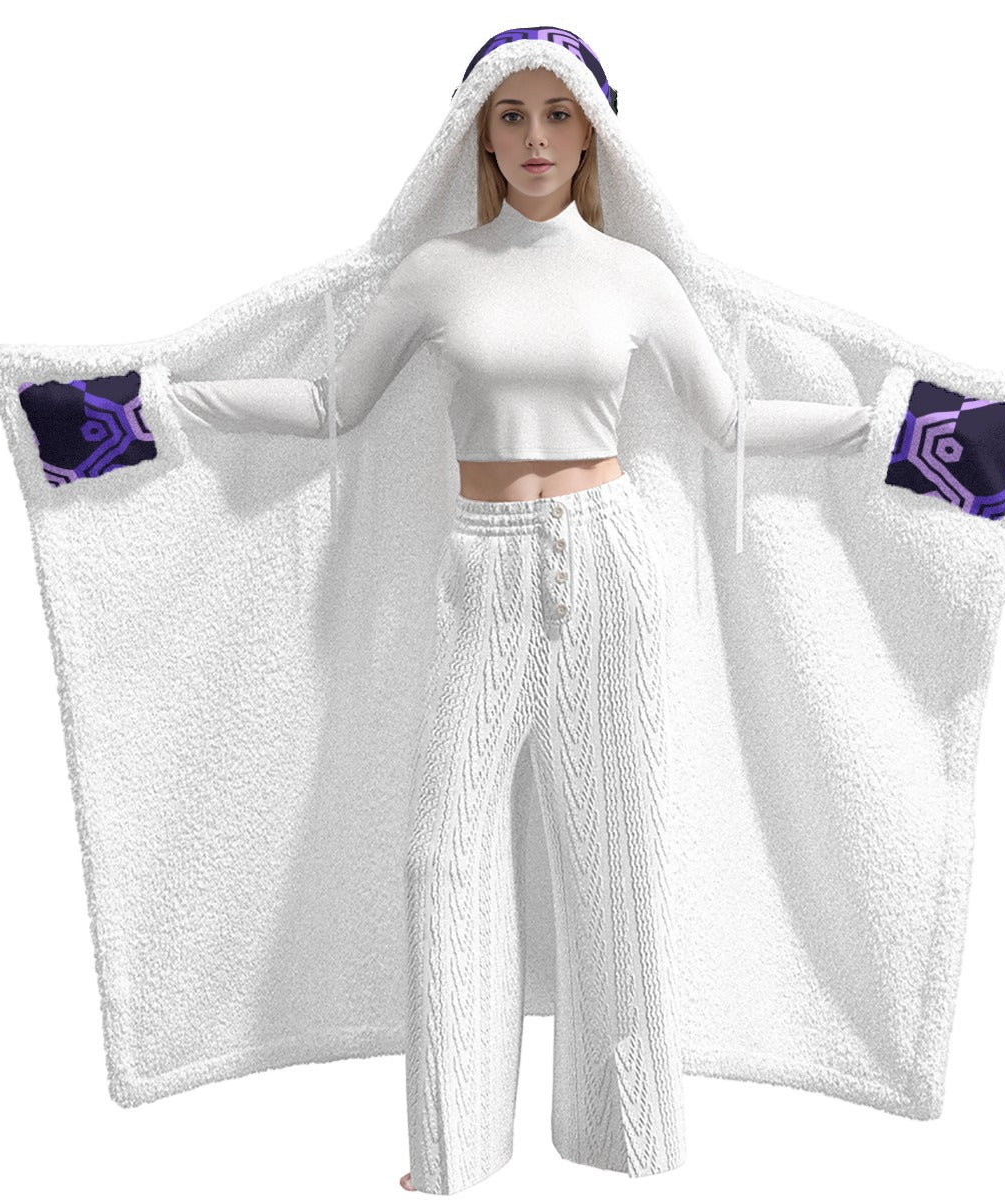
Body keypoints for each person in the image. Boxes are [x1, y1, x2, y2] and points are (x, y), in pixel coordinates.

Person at [165, 43, 868, 1196]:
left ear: (593, 132)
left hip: (608, 565)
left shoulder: (635, 275)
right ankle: (450, 1155)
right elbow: (335, 404)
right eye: (509, 116)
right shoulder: (439, 273)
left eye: (557, 114)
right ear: (477, 135)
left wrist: (894, 432)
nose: (535, 137)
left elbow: (730, 421)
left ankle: (632, 1139)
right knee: (441, 855)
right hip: (481, 565)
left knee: (618, 851)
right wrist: (162, 403)